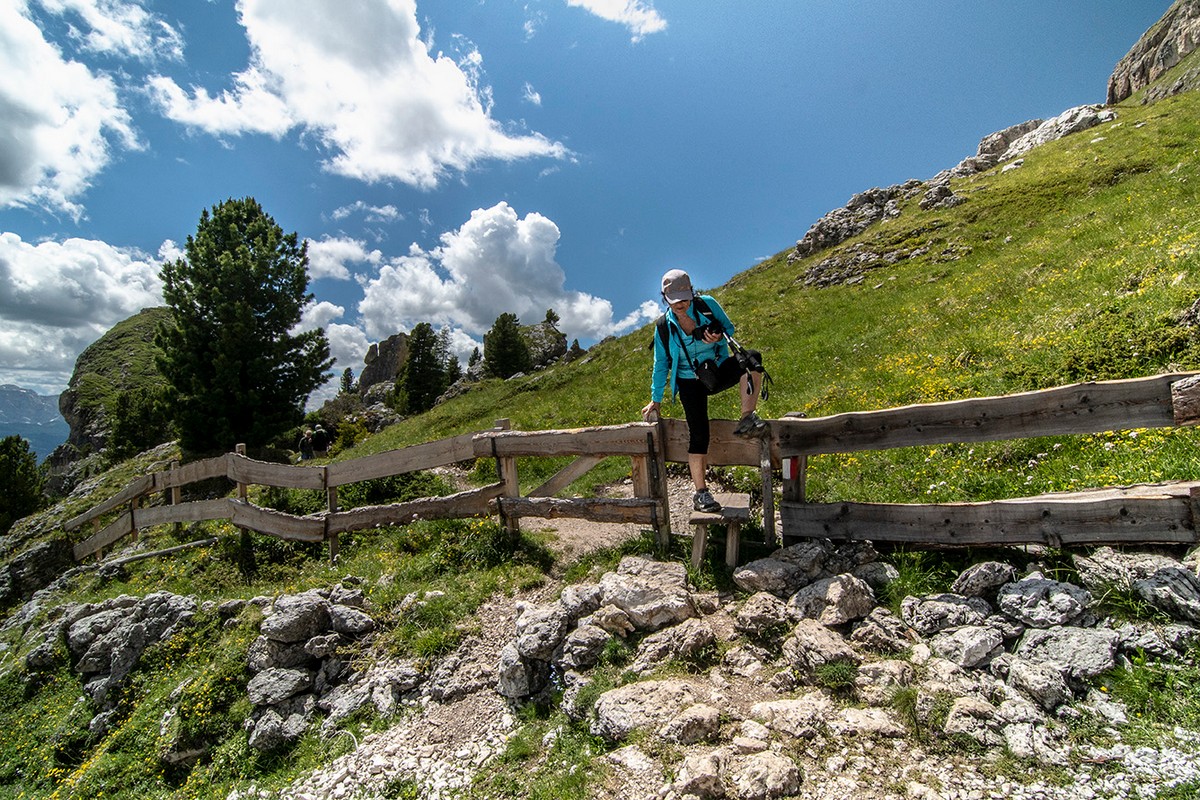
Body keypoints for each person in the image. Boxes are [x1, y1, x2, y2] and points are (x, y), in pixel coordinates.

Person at [641, 269, 768, 513]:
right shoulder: (664, 327)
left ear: (691, 292)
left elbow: (729, 328)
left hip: (714, 370)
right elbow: (661, 364)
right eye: (674, 299)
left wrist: (717, 336)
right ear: (665, 298)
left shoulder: (707, 305)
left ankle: (747, 418)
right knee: (699, 435)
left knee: (752, 359)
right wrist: (655, 399)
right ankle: (701, 493)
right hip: (688, 382)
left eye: (684, 297)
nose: (680, 304)